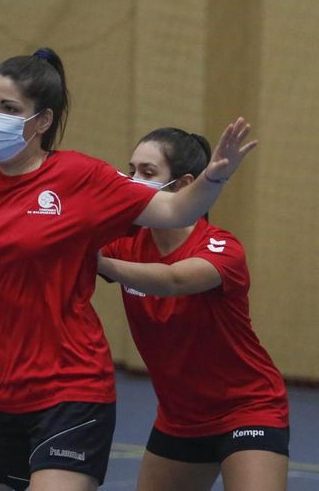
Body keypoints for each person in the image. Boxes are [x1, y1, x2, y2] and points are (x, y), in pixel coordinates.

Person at [0, 47, 257, 491]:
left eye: (10, 108)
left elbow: (174, 209)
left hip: (72, 395)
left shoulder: (82, 178)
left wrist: (214, 177)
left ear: (42, 122)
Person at [98, 127, 289, 491]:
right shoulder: (124, 241)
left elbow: (173, 280)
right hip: (180, 418)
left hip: (247, 409)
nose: (132, 181)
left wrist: (100, 264)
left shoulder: (221, 248)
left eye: (147, 173)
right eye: (131, 170)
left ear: (184, 183)